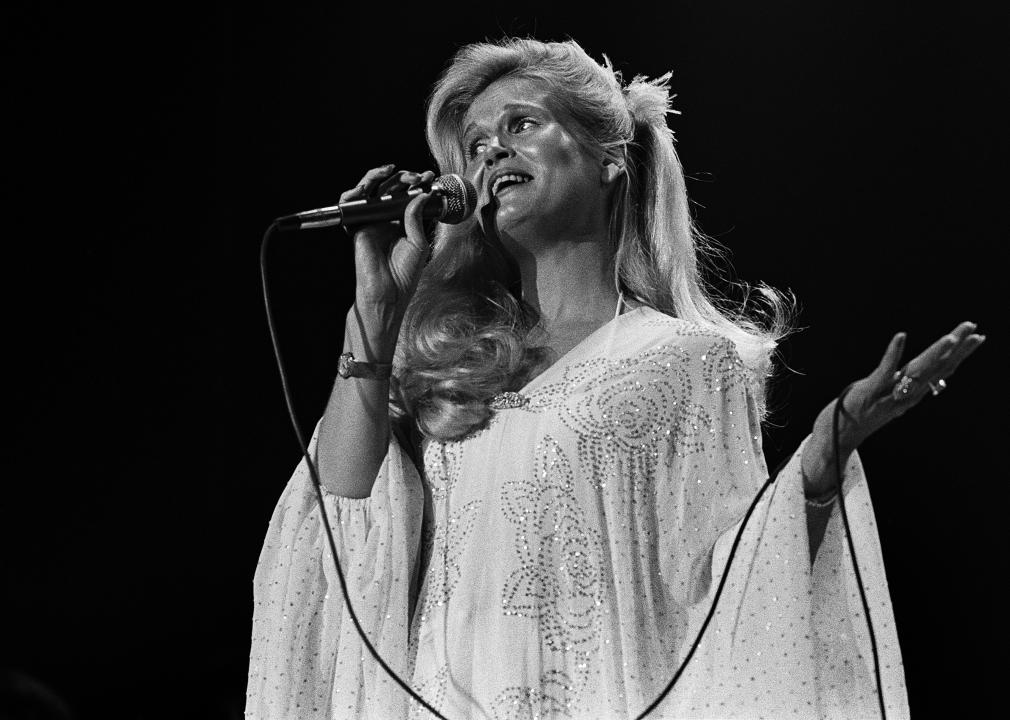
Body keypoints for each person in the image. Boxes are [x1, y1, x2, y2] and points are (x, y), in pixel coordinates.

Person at [245, 38, 984, 719]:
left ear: (608, 158)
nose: (491, 150)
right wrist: (377, 308)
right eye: (473, 144)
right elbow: (337, 537)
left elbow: (728, 593)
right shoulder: (447, 373)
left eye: (522, 124)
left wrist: (823, 458)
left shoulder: (684, 363)